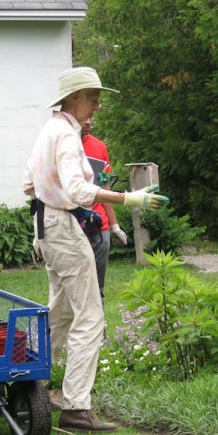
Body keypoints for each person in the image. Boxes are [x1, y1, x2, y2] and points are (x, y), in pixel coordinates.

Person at [23, 66, 169, 432]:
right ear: (74, 98)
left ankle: (27, 379)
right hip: (61, 224)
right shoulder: (67, 137)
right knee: (90, 315)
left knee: (59, 312)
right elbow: (76, 190)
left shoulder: (49, 131)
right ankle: (76, 407)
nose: (97, 107)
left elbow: (29, 183)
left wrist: (54, 198)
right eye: (93, 99)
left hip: (45, 224)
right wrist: (127, 198)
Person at [80, 114, 128, 307]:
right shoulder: (60, 147)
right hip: (71, 228)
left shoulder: (99, 147)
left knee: (97, 288)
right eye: (84, 117)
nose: (88, 122)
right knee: (74, 290)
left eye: (91, 117)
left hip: (99, 228)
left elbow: (104, 188)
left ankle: (100, 336)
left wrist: (114, 226)